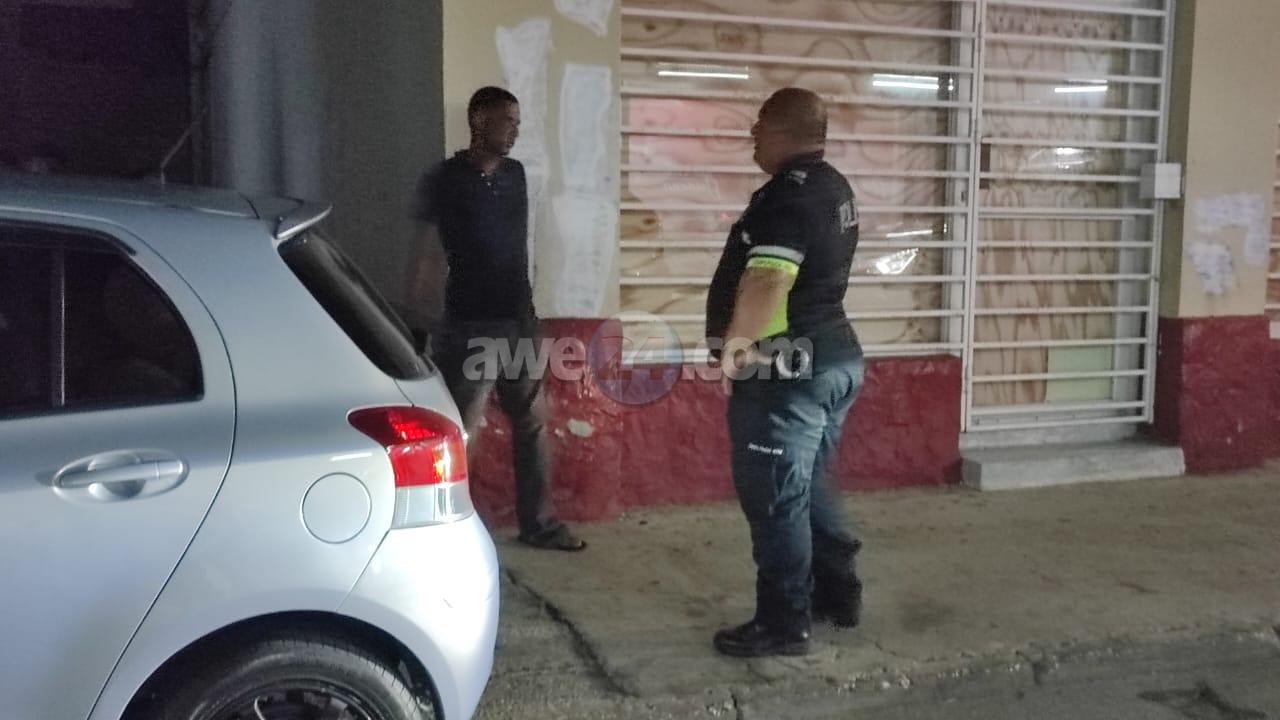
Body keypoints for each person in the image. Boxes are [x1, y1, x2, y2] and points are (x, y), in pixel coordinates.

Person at [706, 87, 865, 657]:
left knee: (776, 496)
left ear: (780, 130)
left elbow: (768, 278)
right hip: (832, 357)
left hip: (786, 371)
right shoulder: (833, 186)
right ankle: (836, 593)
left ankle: (784, 622)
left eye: (758, 125)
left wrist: (735, 349)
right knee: (807, 483)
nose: (752, 135)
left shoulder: (786, 198)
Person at [410, 86, 585, 551]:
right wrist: (418, 323)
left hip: (519, 321)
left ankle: (539, 524)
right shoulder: (445, 180)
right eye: (508, 121)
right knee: (462, 430)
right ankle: (449, 528)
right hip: (470, 325)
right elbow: (427, 255)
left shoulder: (516, 175)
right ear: (478, 120)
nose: (515, 131)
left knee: (533, 424)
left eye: (518, 122)